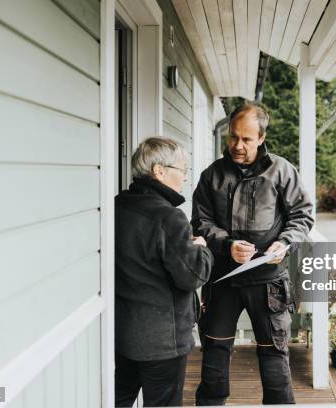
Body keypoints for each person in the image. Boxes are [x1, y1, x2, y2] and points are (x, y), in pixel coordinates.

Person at [192, 103, 314, 405]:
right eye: (233, 137)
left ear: (261, 137)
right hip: (222, 279)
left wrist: (285, 243)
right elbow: (200, 222)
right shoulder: (212, 175)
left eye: (246, 139)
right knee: (214, 352)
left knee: (273, 353)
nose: (237, 145)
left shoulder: (282, 171)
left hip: (268, 280)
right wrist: (226, 244)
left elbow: (302, 215)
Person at [115, 137, 213, 407]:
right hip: (162, 342)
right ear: (159, 171)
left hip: (122, 334)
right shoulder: (168, 217)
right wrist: (202, 248)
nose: (184, 177)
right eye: (182, 170)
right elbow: (192, 275)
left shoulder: (117, 206)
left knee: (119, 399)